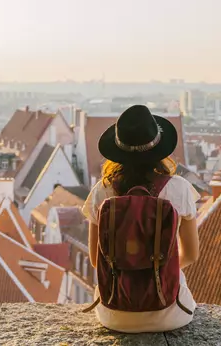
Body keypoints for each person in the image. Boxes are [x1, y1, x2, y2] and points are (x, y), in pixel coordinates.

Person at [82, 104, 200, 333]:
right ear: (159, 149)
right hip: (169, 311)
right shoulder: (180, 189)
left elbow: (97, 261)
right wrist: (158, 269)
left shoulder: (101, 191)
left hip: (113, 310)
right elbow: (192, 254)